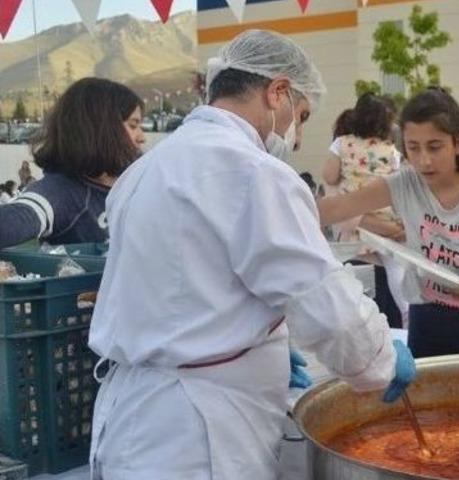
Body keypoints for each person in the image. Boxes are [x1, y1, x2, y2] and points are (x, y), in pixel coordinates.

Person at [87, 30, 415, 480]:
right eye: (300, 116)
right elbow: (324, 302)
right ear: (277, 92)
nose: (295, 137)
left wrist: (257, 342)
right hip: (197, 433)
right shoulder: (254, 172)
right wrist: (378, 356)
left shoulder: (146, 170)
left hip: (131, 416)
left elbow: (186, 289)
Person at [318, 88, 459, 358]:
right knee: (427, 399)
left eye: (435, 147)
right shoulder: (404, 183)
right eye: (413, 148)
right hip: (427, 318)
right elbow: (338, 207)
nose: (424, 160)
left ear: (458, 143)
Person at [0, 78, 146, 249]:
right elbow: (17, 219)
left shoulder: (138, 183)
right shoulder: (62, 192)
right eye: (133, 125)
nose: (142, 137)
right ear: (101, 129)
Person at [322, 93, 403, 243]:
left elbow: (330, 177)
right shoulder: (391, 151)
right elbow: (397, 185)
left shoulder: (341, 143)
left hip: (352, 214)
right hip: (384, 216)